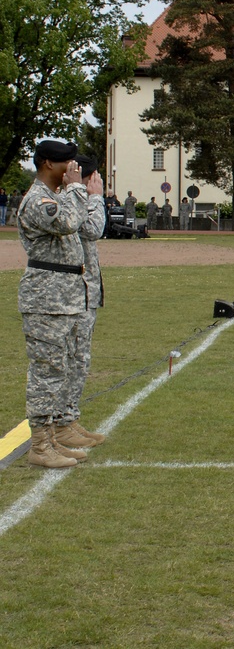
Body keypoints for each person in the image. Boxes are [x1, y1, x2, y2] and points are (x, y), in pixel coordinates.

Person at [18, 140, 105, 468]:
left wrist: (73, 190)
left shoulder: (57, 196)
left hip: (64, 297)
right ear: (46, 164)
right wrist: (77, 189)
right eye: (66, 163)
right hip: (46, 299)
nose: (73, 169)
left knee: (62, 368)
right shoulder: (38, 200)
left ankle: (54, 437)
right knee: (46, 372)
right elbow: (69, 222)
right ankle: (40, 445)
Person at [69, 155, 108, 443]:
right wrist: (96, 198)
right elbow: (93, 230)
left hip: (86, 291)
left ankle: (69, 420)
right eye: (94, 178)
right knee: (74, 360)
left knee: (80, 361)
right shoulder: (75, 200)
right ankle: (64, 423)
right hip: (75, 293)